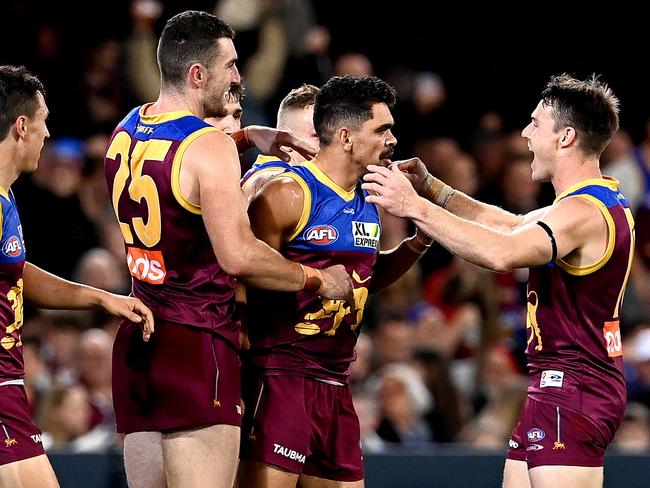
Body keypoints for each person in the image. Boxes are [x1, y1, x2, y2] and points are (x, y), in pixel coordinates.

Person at [103, 11, 353, 488]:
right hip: (196, 342)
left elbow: (173, 173)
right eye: (231, 65)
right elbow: (238, 257)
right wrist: (317, 278)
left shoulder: (127, 130)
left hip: (139, 338)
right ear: (198, 75)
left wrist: (243, 137)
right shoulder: (206, 147)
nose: (239, 77)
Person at [362, 74, 634, 488]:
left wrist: (412, 207)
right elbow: (508, 225)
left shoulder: (582, 213)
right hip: (559, 384)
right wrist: (434, 189)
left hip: (576, 386)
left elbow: (501, 253)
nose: (524, 133)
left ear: (565, 137)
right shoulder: (588, 203)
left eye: (536, 123)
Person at [237, 75, 434, 488]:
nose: (392, 139)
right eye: (382, 129)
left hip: (337, 385)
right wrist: (314, 282)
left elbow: (360, 280)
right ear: (346, 136)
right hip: (280, 379)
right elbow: (242, 273)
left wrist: (417, 245)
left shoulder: (369, 201)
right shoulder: (286, 194)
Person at [0, 65, 154, 488]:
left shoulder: (6, 197)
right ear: (21, 126)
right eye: (44, 122)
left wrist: (100, 297)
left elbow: (17, 275)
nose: (48, 135)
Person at [240, 83, 320, 200]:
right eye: (317, 135)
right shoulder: (271, 177)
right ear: (286, 141)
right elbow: (268, 181)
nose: (328, 143)